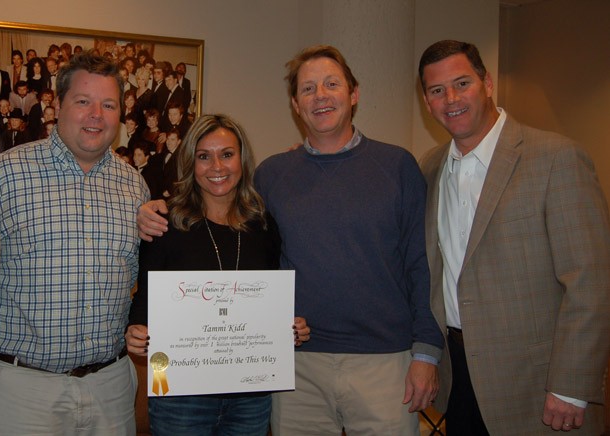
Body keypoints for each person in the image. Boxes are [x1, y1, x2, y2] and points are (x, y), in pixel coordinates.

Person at [138, 45, 444, 435]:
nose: (320, 96)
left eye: (331, 84)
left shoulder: (397, 166)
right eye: (308, 89)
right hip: (295, 368)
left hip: (384, 362)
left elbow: (422, 263)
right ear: (296, 105)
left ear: (354, 93)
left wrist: (426, 354)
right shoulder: (274, 176)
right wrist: (151, 210)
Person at [417, 39, 610, 435]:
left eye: (462, 84)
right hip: (459, 378)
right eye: (437, 90)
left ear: (487, 83)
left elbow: (591, 281)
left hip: (539, 385)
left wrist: (571, 386)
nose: (450, 99)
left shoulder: (555, 158)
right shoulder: (430, 167)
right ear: (427, 102)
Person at [0, 48, 149, 435]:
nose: (96, 115)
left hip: (111, 386)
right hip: (24, 391)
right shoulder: (4, 174)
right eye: (83, 101)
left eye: (108, 104)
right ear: (58, 106)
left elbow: (142, 276)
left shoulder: (135, 186)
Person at [126, 114, 310, 436]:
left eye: (227, 154)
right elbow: (145, 303)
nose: (217, 167)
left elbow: (271, 301)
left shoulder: (262, 226)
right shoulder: (166, 223)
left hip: (250, 396)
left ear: (242, 159)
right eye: (204, 156)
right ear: (190, 163)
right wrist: (137, 332)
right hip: (180, 397)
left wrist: (289, 328)